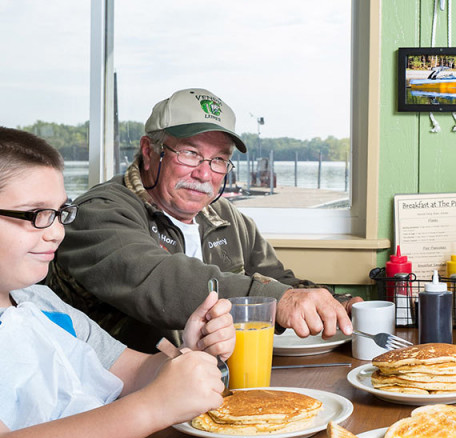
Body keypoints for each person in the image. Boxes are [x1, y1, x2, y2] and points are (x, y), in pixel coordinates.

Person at [0, 128, 235, 438]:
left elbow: (131, 372)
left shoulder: (41, 302)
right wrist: (151, 408)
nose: (57, 231)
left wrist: (189, 352)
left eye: (60, 213)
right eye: (37, 215)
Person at [46, 88, 360, 353]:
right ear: (148, 151)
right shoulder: (98, 213)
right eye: (190, 154)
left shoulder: (225, 216)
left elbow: (276, 279)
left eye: (219, 159)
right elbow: (161, 280)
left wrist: (339, 306)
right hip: (114, 398)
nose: (205, 174)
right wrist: (279, 300)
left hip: (209, 387)